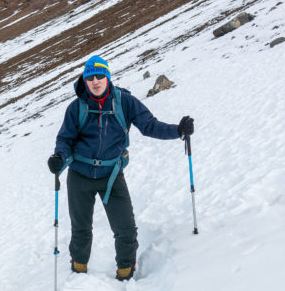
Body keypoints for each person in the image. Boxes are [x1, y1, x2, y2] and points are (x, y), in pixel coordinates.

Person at [47, 55, 194, 281]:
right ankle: (78, 273)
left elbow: (149, 125)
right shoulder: (76, 108)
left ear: (108, 77)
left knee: (126, 228)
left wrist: (178, 131)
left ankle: (125, 273)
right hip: (79, 176)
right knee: (81, 230)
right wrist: (59, 157)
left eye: (99, 76)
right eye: (90, 78)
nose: (95, 82)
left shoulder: (125, 102)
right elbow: (65, 140)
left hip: (111, 175)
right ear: (84, 81)